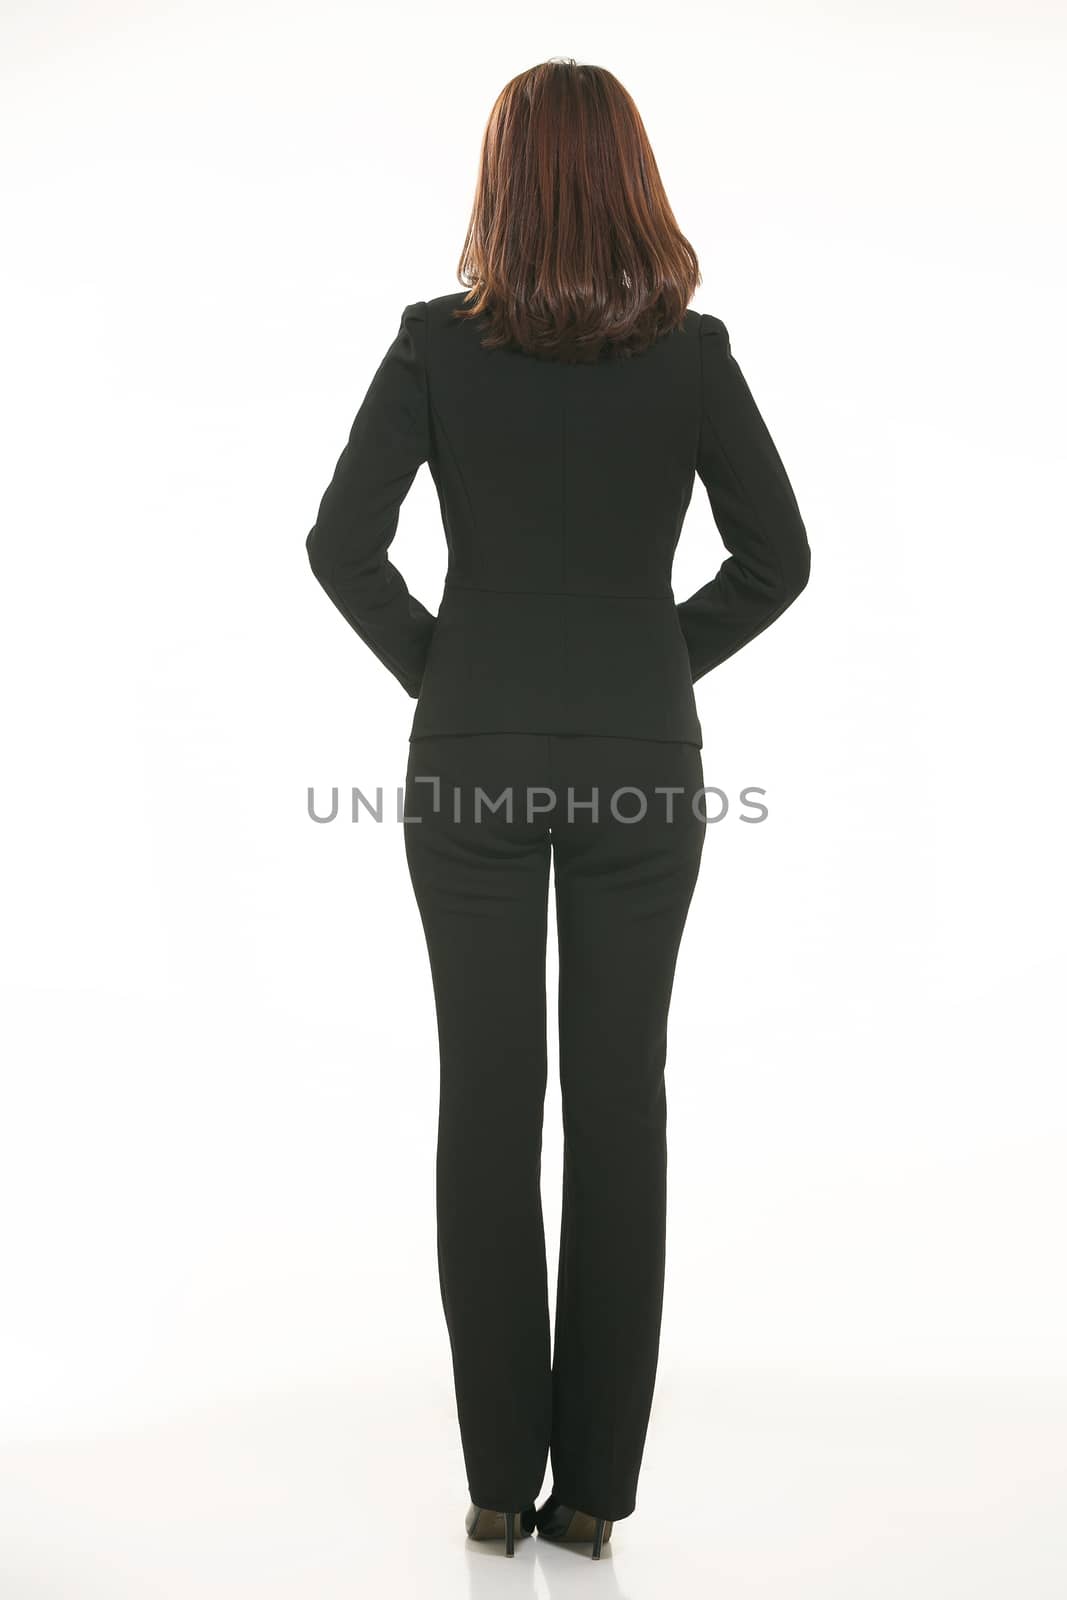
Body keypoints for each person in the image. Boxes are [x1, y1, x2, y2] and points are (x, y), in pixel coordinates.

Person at [304, 56, 810, 1561]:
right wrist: (652, 660)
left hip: (468, 756)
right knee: (619, 1109)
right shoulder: (694, 357)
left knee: (486, 1104)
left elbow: (342, 547)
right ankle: (589, 1492)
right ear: (631, 181)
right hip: (641, 763)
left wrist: (449, 673)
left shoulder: (434, 349)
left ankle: (491, 1480)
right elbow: (776, 559)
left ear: (503, 181)